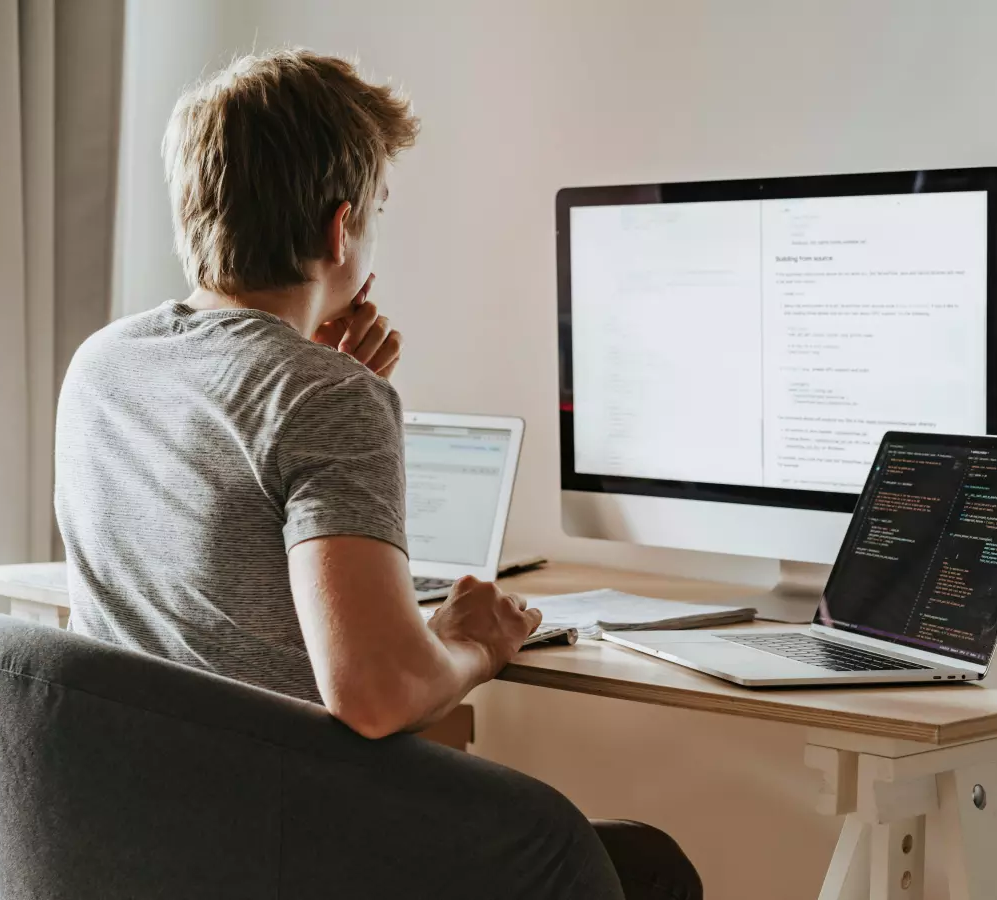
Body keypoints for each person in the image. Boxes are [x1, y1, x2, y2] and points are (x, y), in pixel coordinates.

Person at [54, 49, 701, 900]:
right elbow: (377, 692)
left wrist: (325, 377)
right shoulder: (325, 395)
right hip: (279, 845)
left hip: (141, 840)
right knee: (646, 865)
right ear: (340, 228)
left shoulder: (104, 363)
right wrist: (473, 641)